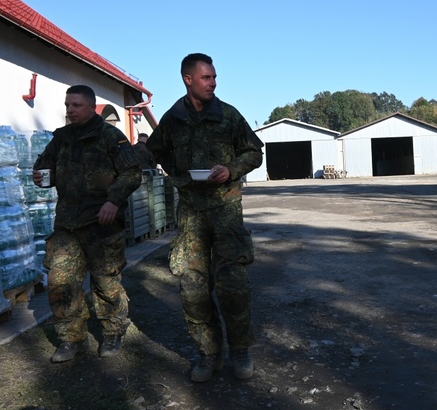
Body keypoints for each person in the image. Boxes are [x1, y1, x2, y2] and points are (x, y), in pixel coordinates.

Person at [146, 53, 264, 382]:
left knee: (233, 286)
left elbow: (254, 150)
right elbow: (155, 148)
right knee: (192, 288)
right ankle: (208, 353)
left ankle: (240, 351)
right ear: (188, 79)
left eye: (213, 77)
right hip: (191, 212)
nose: (213, 82)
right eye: (206, 78)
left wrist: (232, 170)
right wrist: (179, 174)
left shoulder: (227, 115)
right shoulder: (173, 118)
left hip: (225, 209)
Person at [33, 85, 142, 363]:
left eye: (77, 105)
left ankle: (113, 332)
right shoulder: (61, 138)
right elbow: (46, 167)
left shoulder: (110, 136)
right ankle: (71, 338)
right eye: (68, 105)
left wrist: (113, 201)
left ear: (91, 107)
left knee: (106, 283)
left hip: (102, 224)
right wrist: (41, 176)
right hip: (67, 225)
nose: (70, 110)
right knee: (60, 282)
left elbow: (131, 173)